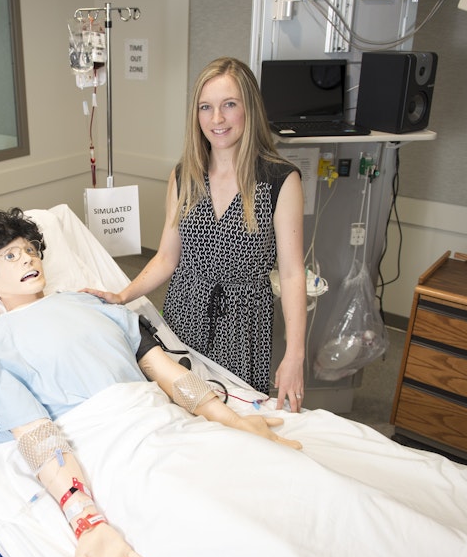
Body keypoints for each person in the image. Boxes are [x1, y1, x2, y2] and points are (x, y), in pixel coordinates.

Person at [0, 208, 301, 557]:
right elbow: (38, 437)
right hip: (108, 448)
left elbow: (166, 373)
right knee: (217, 526)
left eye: (30, 250)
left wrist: (233, 421)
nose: (27, 258)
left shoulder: (90, 303)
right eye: (10, 255)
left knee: (273, 490)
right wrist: (87, 521)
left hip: (165, 423)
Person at [84, 57, 307, 412]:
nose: (216, 119)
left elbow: (294, 274)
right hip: (184, 310)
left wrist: (295, 355)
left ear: (249, 109)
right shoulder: (185, 175)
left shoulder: (280, 180)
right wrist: (121, 295)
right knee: (180, 411)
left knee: (235, 416)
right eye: (206, 107)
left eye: (229, 105)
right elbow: (166, 257)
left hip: (243, 320)